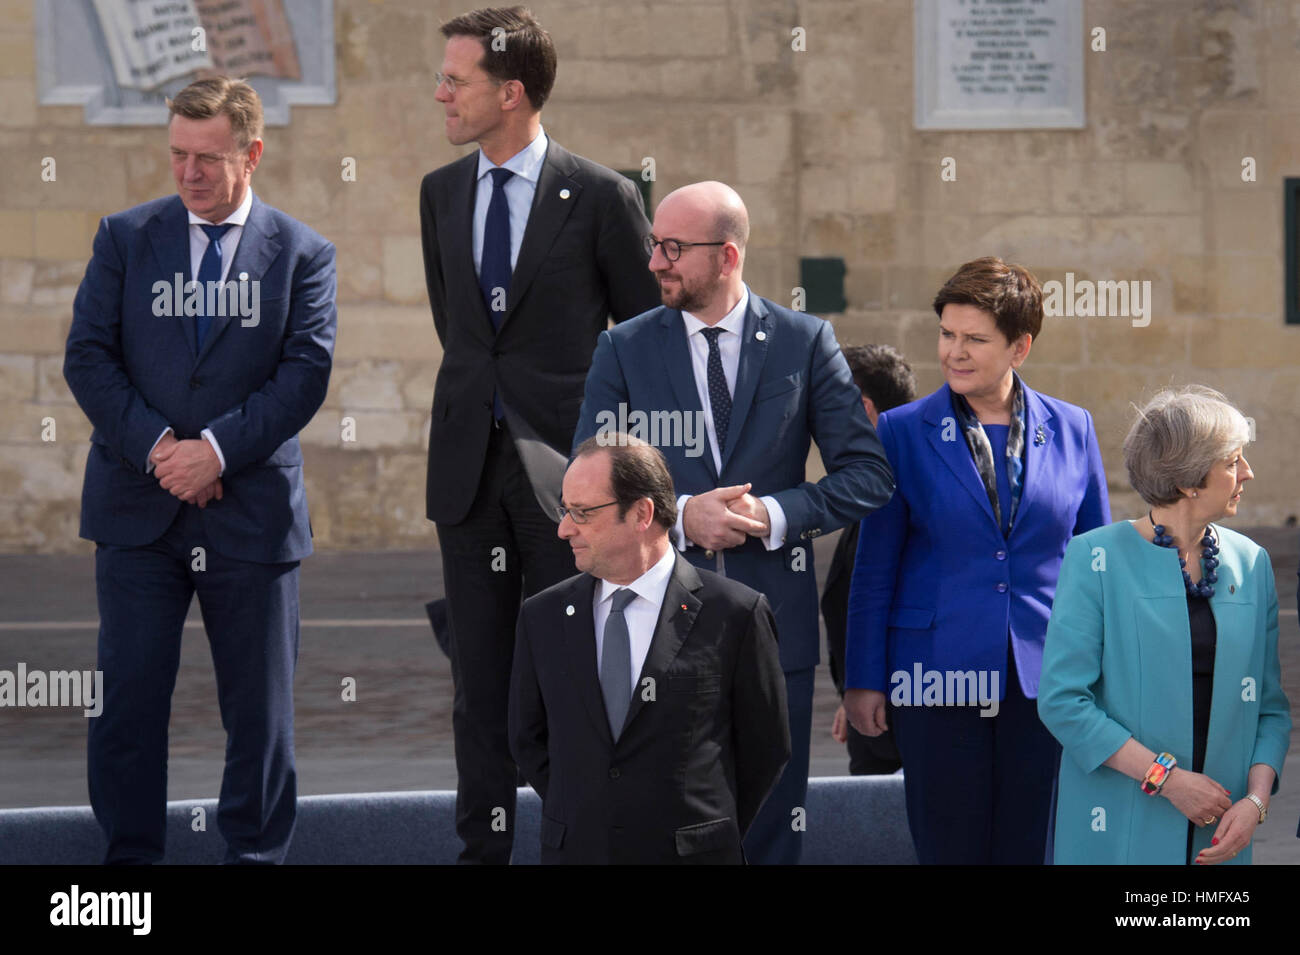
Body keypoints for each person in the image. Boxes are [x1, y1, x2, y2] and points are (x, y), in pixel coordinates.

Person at [573, 181, 895, 864]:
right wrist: (683, 515)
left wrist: (773, 514)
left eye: (672, 248)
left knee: (773, 831)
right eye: (653, 245)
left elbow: (868, 474)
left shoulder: (804, 342)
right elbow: (589, 475)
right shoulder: (623, 349)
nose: (655, 261)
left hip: (775, 628)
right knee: (665, 828)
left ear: (726, 256)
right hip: (657, 629)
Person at [63, 77, 336, 864]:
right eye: (178, 154)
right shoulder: (124, 237)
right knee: (126, 709)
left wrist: (214, 451)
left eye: (208, 158)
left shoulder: (303, 254)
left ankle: (252, 858)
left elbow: (304, 372)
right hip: (136, 509)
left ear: (252, 153)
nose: (188, 173)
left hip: (250, 514)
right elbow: (89, 357)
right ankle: (130, 872)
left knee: (259, 716)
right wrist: (162, 450)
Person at [419, 7, 661, 863]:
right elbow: (461, 331)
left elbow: (646, 337)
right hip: (465, 474)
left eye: (458, 80)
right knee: (477, 687)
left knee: (574, 678)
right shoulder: (440, 192)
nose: (441, 93)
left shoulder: (600, 196)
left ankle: (587, 844)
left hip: (571, 483)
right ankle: (482, 853)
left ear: (510, 92)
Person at [843, 256, 1110, 865]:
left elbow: (1096, 562)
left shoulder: (1074, 428)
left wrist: (1106, 670)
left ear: (1020, 347)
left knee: (1030, 847)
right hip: (934, 678)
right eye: (947, 335)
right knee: (949, 848)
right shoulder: (902, 432)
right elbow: (875, 566)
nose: (954, 353)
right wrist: (864, 679)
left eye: (974, 339)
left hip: (1047, 679)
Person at [509, 435, 790, 864]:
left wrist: (706, 833)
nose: (564, 528)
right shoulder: (543, 617)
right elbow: (529, 740)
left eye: (582, 513)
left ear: (641, 513)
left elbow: (765, 748)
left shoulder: (735, 613)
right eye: (565, 510)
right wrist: (592, 816)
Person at [1039, 387, 1291, 865]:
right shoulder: (1096, 558)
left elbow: (1269, 709)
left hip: (1222, 830)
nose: (1248, 473)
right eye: (1233, 461)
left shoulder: (1252, 563)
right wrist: (1168, 780)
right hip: (1118, 827)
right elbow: (1063, 701)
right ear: (1189, 481)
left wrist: (1255, 803)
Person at [822, 344, 915, 774]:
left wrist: (868, 689)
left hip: (905, 715)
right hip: (875, 710)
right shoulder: (871, 481)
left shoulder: (904, 486)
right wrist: (853, 690)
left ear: (863, 409)